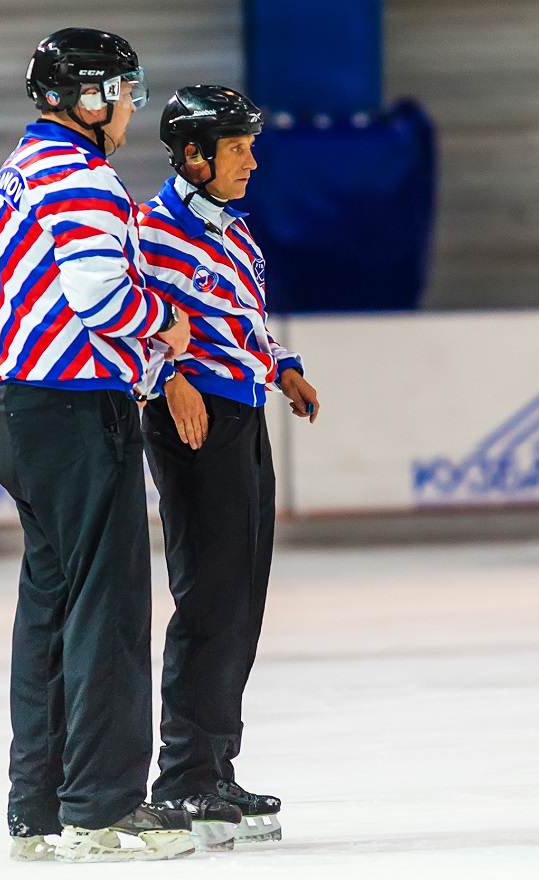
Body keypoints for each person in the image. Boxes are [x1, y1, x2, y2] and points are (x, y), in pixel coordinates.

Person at [0, 28, 195, 863]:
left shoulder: (18, 169)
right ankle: (100, 809)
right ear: (89, 97)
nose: (134, 109)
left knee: (49, 610)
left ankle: (37, 809)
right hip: (75, 412)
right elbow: (103, 298)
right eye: (126, 93)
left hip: (23, 410)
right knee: (106, 613)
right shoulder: (80, 178)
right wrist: (167, 327)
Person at [133, 84, 320, 850]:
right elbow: (134, 317)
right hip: (194, 417)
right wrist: (167, 381)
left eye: (251, 147)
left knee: (240, 594)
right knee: (209, 594)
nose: (252, 162)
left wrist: (281, 366)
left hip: (241, 409)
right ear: (193, 156)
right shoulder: (150, 230)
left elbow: (243, 318)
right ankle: (182, 778)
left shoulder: (234, 231)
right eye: (238, 149)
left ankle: (213, 765)